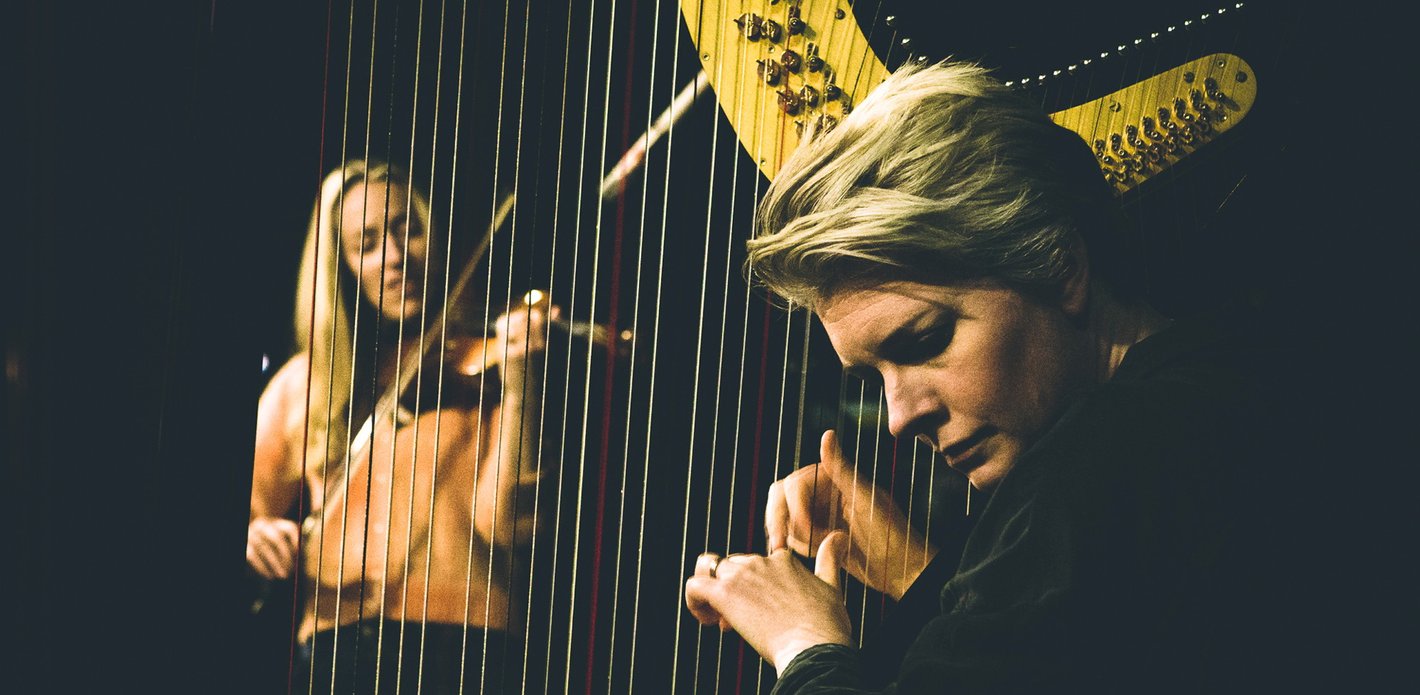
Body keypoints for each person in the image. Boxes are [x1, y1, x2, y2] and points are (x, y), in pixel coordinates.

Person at [684, 61, 1324, 693]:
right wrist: (914, 570)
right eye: (872, 375)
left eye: (926, 340)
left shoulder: (1106, 460)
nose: (901, 416)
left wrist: (806, 646)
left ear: (1060, 268)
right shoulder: (1222, 387)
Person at [246, 159, 551, 694]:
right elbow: (246, 508)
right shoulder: (308, 384)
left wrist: (524, 383)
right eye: (365, 244)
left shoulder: (486, 363)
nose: (393, 258)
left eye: (406, 229)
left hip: (467, 643)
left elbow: (504, 525)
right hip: (338, 642)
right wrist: (256, 535)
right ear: (339, 267)